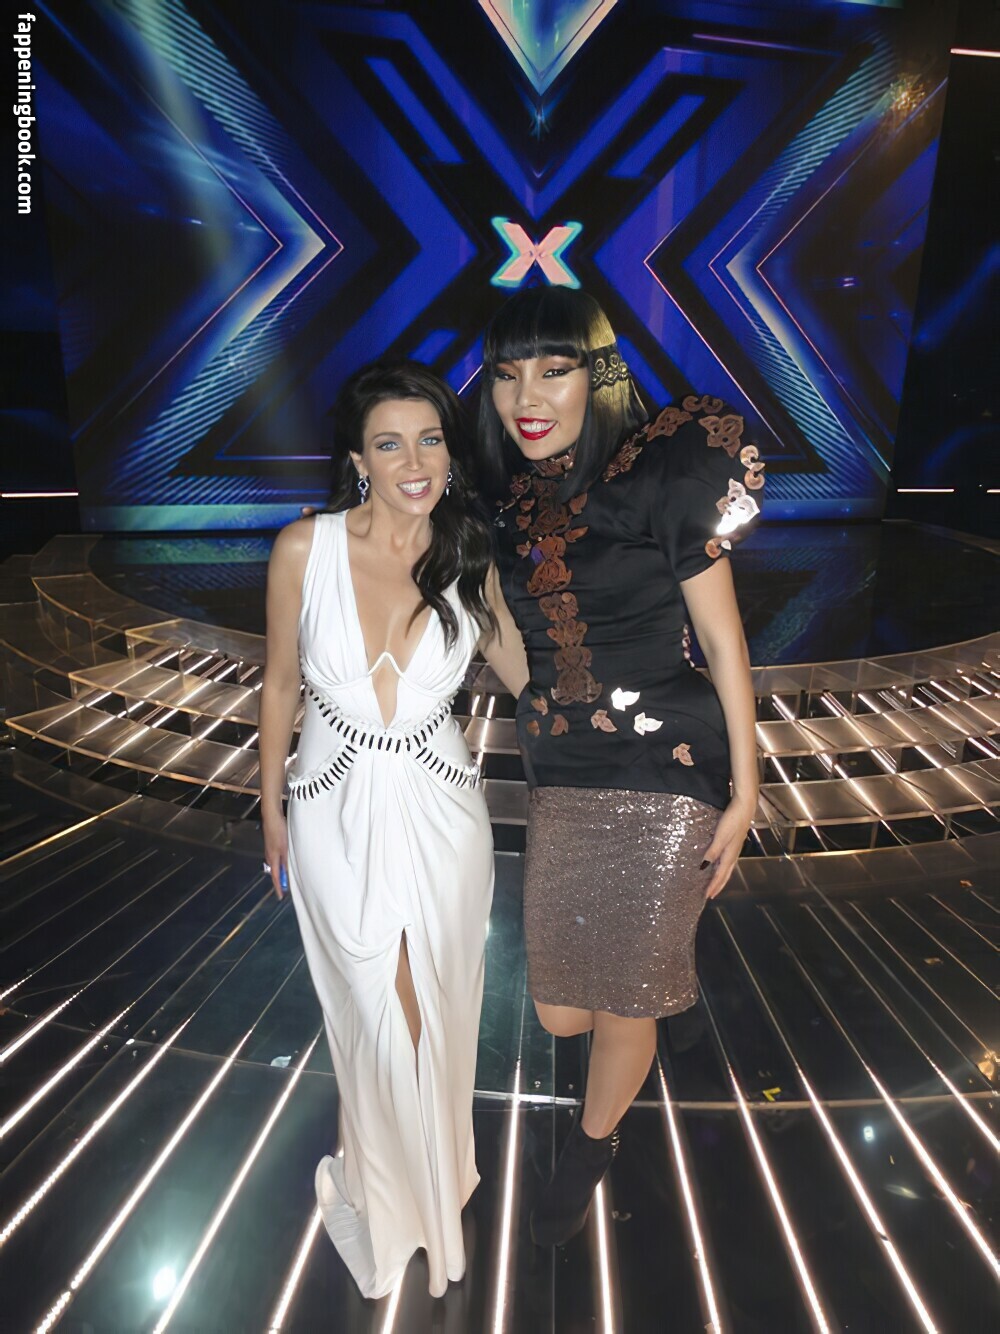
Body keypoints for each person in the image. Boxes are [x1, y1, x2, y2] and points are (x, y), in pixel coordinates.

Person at [479, 287, 764, 1246]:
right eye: (507, 373)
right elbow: (517, 652)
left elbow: (724, 644)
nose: (527, 396)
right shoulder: (507, 504)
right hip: (563, 766)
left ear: (597, 375)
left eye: (553, 370)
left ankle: (593, 1145)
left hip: (665, 767)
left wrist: (746, 791)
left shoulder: (659, 473)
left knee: (621, 1003)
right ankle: (663, 981)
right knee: (561, 1011)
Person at [259, 360, 528, 1299]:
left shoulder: (470, 554)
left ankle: (425, 1194)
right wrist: (269, 806)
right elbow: (281, 686)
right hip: (328, 808)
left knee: (434, 1006)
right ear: (358, 460)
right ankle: (396, 1190)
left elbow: (530, 678)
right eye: (390, 443)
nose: (414, 462)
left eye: (431, 440)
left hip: (443, 811)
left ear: (450, 453)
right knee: (374, 1007)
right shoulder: (305, 547)